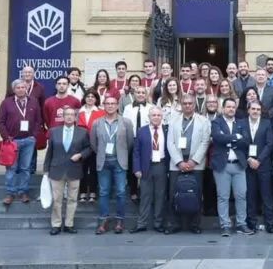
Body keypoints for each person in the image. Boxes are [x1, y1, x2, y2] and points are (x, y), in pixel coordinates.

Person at [165, 94, 212, 234]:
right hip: (176, 164)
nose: (187, 105)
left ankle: (195, 224)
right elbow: (170, 142)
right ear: (181, 104)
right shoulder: (173, 120)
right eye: (184, 103)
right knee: (174, 193)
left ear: (194, 105)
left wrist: (193, 161)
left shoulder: (203, 121)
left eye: (190, 103)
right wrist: (179, 161)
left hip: (195, 164)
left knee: (196, 193)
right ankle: (174, 223)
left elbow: (205, 142)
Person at [89, 95, 135, 234]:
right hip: (103, 161)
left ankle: (120, 220)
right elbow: (93, 143)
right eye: (107, 103)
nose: (110, 106)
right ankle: (103, 219)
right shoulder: (97, 123)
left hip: (119, 161)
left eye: (113, 103)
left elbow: (130, 143)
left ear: (117, 106)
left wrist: (121, 153)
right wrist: (102, 153)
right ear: (104, 105)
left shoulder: (126, 122)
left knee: (121, 192)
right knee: (103, 192)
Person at [43, 107, 91, 235]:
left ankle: (69, 224)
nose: (69, 117)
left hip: (74, 169)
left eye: (72, 115)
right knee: (57, 199)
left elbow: (89, 148)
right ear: (63, 117)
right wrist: (45, 170)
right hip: (56, 170)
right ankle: (56, 224)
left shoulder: (82, 132)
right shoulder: (54, 131)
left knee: (72, 199)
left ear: (75, 117)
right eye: (67, 115)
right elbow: (50, 152)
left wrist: (80, 155)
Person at [211, 98, 254, 236]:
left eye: (233, 107)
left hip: (239, 165)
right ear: (223, 108)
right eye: (228, 107)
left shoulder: (241, 123)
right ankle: (225, 225)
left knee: (241, 195)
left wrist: (228, 139)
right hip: (222, 165)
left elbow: (246, 140)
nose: (231, 109)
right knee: (223, 196)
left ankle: (241, 224)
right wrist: (236, 137)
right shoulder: (216, 122)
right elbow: (217, 138)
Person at [0, 79, 42, 205]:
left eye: (23, 87)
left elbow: (39, 121)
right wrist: (6, 137)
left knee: (25, 168)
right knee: (11, 168)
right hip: (12, 142)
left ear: (26, 88)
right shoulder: (6, 103)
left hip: (29, 140)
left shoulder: (33, 102)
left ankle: (23, 192)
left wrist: (34, 136)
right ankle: (10, 193)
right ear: (14, 90)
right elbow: (0, 122)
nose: (21, 89)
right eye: (18, 87)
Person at [130, 106, 169, 234]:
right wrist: (137, 168)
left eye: (158, 115)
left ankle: (158, 223)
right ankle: (142, 223)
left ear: (162, 117)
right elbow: (136, 152)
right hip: (146, 166)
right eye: (154, 115)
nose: (156, 117)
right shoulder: (142, 131)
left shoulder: (167, 130)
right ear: (149, 117)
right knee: (145, 196)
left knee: (160, 195)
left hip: (161, 166)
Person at [242, 100, 273, 233]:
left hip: (263, 165)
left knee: (266, 195)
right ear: (248, 110)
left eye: (258, 109)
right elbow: (240, 144)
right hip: (248, 164)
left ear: (261, 111)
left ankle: (270, 223)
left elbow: (269, 144)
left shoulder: (267, 123)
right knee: (250, 195)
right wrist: (249, 159)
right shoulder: (241, 124)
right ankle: (251, 222)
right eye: (253, 109)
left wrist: (259, 160)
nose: (255, 111)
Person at [77, 90, 104, 203]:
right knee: (82, 169)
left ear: (96, 99)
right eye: (88, 96)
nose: (90, 98)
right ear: (84, 98)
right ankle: (82, 192)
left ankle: (93, 192)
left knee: (94, 169)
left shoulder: (101, 112)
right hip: (81, 145)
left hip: (96, 145)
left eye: (93, 97)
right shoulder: (78, 112)